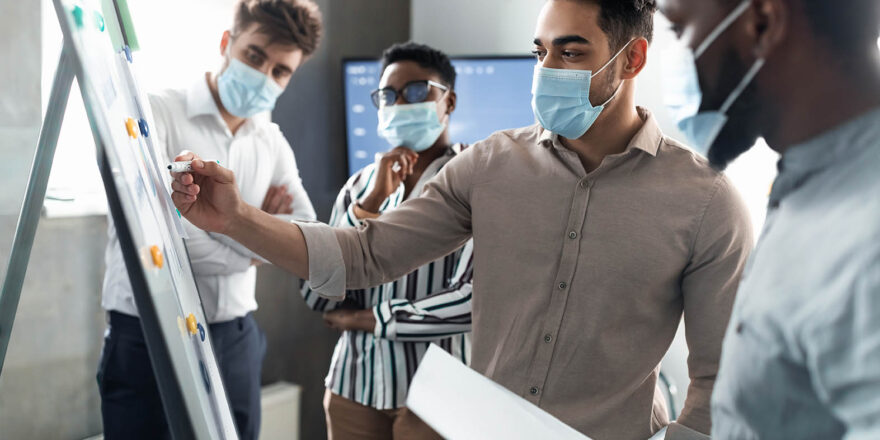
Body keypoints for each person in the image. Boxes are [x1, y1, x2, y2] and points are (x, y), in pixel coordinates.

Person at [169, 0, 756, 438]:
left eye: (570, 51)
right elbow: (362, 255)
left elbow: (719, 386)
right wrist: (237, 218)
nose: (547, 68)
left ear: (633, 58)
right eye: (540, 51)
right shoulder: (491, 166)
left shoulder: (707, 202)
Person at [97, 1, 321, 439]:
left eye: (280, 71)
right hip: (147, 335)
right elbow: (156, 240)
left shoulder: (272, 140)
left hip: (234, 337)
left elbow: (306, 237)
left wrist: (221, 225)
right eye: (255, 56)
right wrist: (261, 234)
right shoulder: (154, 113)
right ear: (226, 43)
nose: (263, 76)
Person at [657, 0, 880, 437]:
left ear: (762, 22)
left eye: (680, 29)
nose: (679, 57)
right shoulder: (810, 182)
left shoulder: (864, 236)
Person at [299, 42, 475, 440]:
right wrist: (369, 204)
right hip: (353, 388)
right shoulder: (359, 186)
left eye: (416, 91)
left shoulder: (477, 182)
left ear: (448, 101)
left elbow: (474, 301)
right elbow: (318, 297)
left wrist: (370, 318)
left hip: (440, 396)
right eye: (387, 95)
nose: (399, 103)